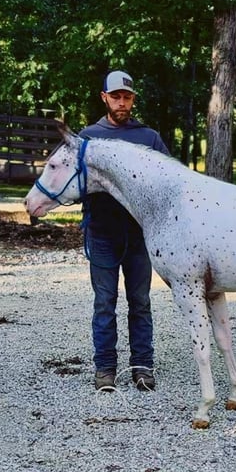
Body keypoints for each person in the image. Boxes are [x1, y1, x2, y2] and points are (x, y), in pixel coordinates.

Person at [78, 70, 170, 392]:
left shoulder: (149, 138)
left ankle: (142, 366)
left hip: (139, 237)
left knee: (140, 301)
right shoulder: (87, 137)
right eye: (115, 96)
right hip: (101, 234)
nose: (121, 102)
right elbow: (73, 181)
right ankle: (105, 368)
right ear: (104, 97)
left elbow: (168, 183)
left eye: (127, 97)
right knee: (105, 302)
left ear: (133, 99)